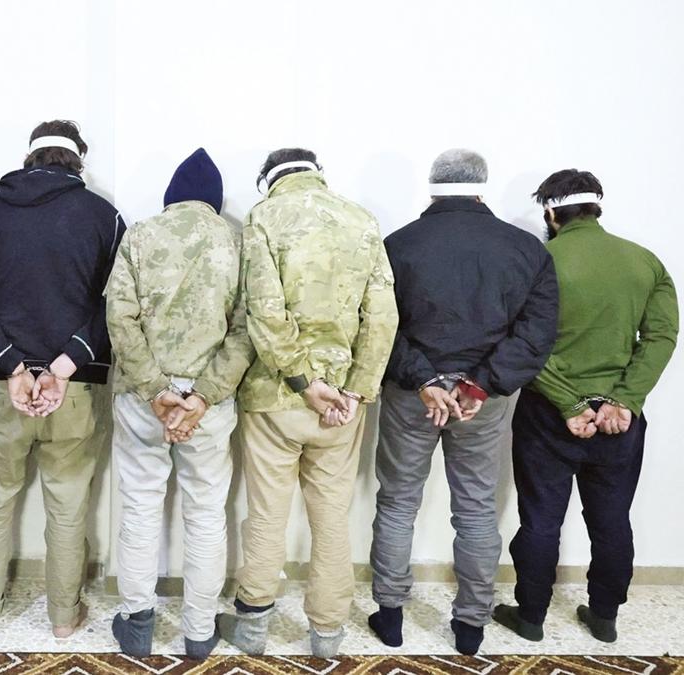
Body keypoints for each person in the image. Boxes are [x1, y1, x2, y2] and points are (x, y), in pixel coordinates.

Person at [367, 150, 559, 655]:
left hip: (413, 396)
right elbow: (536, 334)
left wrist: (425, 379)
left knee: (397, 502)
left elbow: (380, 326)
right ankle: (470, 625)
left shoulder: (398, 245)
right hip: (482, 403)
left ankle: (390, 615)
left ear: (433, 186)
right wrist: (478, 385)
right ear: (481, 186)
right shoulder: (524, 249)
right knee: (475, 508)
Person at [219, 148, 398, 657]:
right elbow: (382, 317)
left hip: (275, 397)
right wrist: (356, 389)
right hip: (341, 402)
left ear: (267, 179)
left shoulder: (263, 218)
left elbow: (264, 309)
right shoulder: (362, 220)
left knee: (266, 513)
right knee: (332, 517)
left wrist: (302, 379)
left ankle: (253, 625)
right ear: (318, 174)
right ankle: (327, 633)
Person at [0, 120, 125, 638]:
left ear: (30, 158)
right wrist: (65, 365)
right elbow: (118, 301)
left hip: (1, 385)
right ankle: (64, 619)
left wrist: (11, 365)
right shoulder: (103, 216)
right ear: (78, 160)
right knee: (68, 504)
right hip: (77, 387)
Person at [493, 169, 677, 644]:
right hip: (619, 421)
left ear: (550, 213)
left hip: (547, 414)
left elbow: (520, 342)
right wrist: (624, 399)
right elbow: (661, 336)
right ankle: (605, 617)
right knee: (612, 520)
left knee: (540, 519)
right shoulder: (645, 262)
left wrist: (569, 402)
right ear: (597, 207)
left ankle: (530, 616)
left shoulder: (537, 262)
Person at [106, 148, 254, 660]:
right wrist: (201, 397)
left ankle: (137, 625)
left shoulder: (140, 236)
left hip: (141, 400)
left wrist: (157, 390)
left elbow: (119, 319)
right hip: (208, 407)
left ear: (171, 197)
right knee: (207, 514)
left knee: (140, 505)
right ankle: (198, 632)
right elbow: (247, 330)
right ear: (214, 201)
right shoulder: (237, 242)